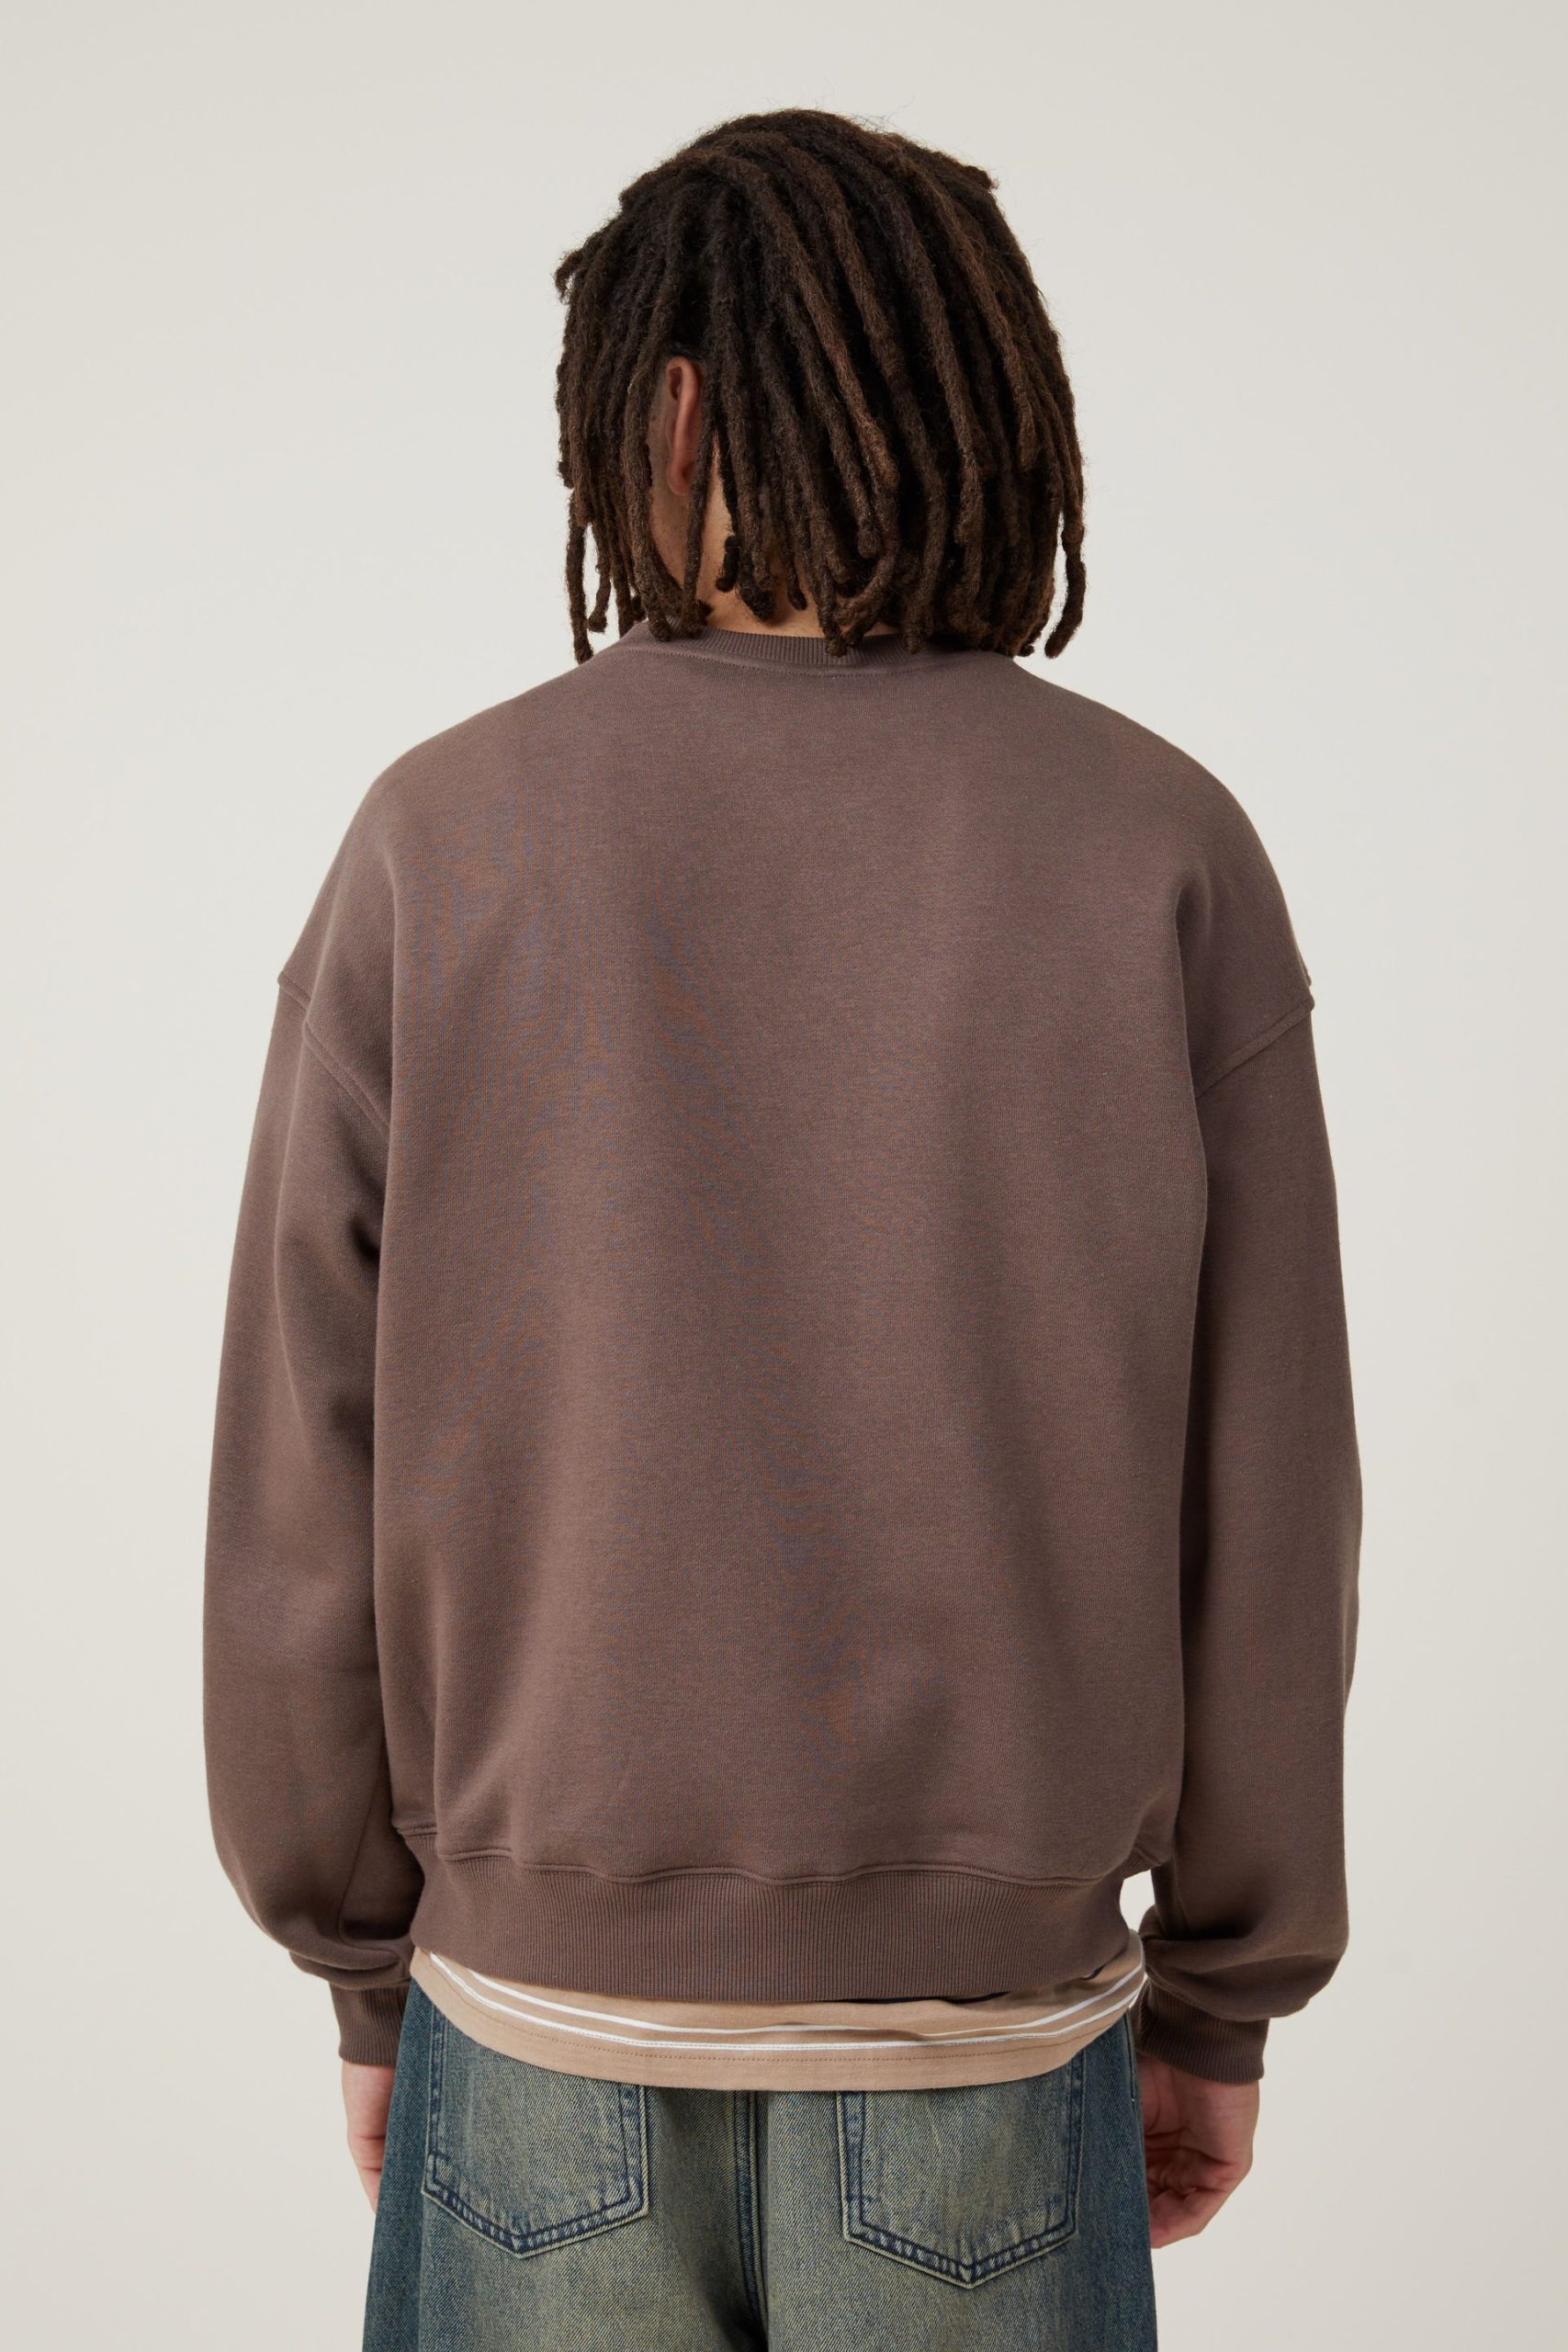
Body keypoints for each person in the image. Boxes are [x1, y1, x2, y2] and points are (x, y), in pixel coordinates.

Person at [203, 107, 1360, 2350]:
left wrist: (364, 1961)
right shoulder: (1156, 847)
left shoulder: (442, 837)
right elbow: (1269, 1490)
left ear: (648, 419)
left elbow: (296, 1474)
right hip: (986, 2043)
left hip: (530, 2028)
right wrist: (1223, 1989)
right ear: (986, 406)